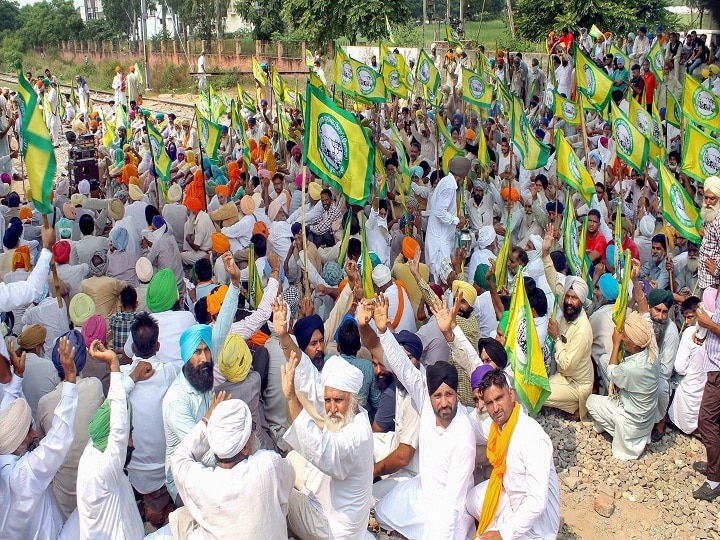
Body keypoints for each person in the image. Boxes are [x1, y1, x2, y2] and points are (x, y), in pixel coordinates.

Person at [360, 294, 476, 539]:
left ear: (456, 395)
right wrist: (383, 332)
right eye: (438, 396)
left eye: (449, 395)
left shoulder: (463, 429)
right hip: (422, 488)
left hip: (448, 503)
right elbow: (403, 367)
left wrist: (453, 333)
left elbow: (453, 501)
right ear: (429, 394)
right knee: (381, 512)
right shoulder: (423, 397)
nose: (444, 403)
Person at [272, 298, 374, 540]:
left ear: (354, 399)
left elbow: (321, 450)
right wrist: (285, 338)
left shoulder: (356, 435)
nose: (330, 408)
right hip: (327, 501)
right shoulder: (346, 409)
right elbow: (307, 373)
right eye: (328, 401)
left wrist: (291, 398)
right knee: (289, 459)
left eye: (337, 401)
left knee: (275, 485)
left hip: (331, 529)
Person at [170, 396, 294, 538]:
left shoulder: (202, 483)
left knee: (179, 517)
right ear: (245, 448)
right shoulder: (268, 465)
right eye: (252, 428)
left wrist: (206, 422)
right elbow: (289, 479)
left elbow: (178, 458)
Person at [461, 369, 560, 538]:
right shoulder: (497, 427)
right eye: (490, 403)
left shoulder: (531, 436)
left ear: (511, 395)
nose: (496, 408)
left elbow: (537, 502)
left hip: (539, 525)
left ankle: (500, 528)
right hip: (512, 502)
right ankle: (498, 524)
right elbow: (469, 427)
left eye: (499, 398)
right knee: (472, 500)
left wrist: (503, 533)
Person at [0, 336, 79, 539]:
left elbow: (8, 415)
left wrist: (16, 378)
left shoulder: (5, 452)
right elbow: (58, 440)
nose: (35, 434)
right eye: (29, 432)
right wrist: (70, 380)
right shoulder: (24, 474)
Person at [74, 339, 144, 539]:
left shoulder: (93, 447)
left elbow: (112, 411)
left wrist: (129, 380)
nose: (131, 442)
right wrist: (113, 363)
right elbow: (119, 428)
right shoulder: (106, 468)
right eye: (130, 433)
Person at [121, 312, 179, 525]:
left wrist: (133, 377)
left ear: (133, 349)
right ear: (158, 347)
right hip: (164, 467)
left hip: (134, 469)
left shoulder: (121, 376)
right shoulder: (169, 372)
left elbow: (114, 399)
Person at [586, 311, 659, 460]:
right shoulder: (653, 353)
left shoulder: (632, 368)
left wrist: (616, 343)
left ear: (633, 343)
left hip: (631, 422)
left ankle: (612, 429)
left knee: (591, 401)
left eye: (625, 336)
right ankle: (606, 423)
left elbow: (612, 372)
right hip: (645, 419)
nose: (623, 337)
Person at [426, 156, 470, 279]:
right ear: (461, 176)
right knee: (442, 278)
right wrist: (456, 221)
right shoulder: (449, 186)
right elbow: (439, 211)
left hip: (441, 239)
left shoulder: (446, 182)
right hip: (440, 242)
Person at [699, 176, 720, 291]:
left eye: (712, 199)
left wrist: (717, 271)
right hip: (705, 280)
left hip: (714, 283)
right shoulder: (709, 215)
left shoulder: (718, 221)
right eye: (706, 198)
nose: (708, 202)